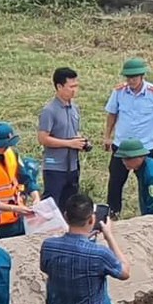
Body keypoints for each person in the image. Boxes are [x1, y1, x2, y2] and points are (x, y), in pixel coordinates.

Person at [103, 58, 153, 216]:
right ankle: (112, 213)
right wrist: (107, 136)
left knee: (147, 182)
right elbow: (112, 113)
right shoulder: (119, 92)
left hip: (144, 148)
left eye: (134, 77)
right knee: (115, 181)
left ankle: (148, 215)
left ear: (142, 76)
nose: (131, 81)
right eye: (128, 78)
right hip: (122, 145)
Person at [38, 68, 90, 206]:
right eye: (71, 87)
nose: (74, 90)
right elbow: (43, 138)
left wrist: (80, 142)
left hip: (72, 166)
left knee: (70, 205)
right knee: (51, 205)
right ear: (59, 86)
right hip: (55, 167)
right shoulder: (49, 110)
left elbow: (73, 132)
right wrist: (69, 144)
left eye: (76, 86)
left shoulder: (75, 108)